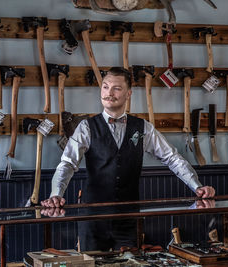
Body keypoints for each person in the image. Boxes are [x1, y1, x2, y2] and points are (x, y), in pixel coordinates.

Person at [41, 67, 215, 251]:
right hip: (92, 219)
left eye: (116, 88)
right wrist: (56, 195)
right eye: (105, 87)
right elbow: (67, 164)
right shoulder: (87, 127)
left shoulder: (142, 127)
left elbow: (172, 158)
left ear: (128, 94)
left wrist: (197, 186)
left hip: (128, 218)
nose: (109, 93)